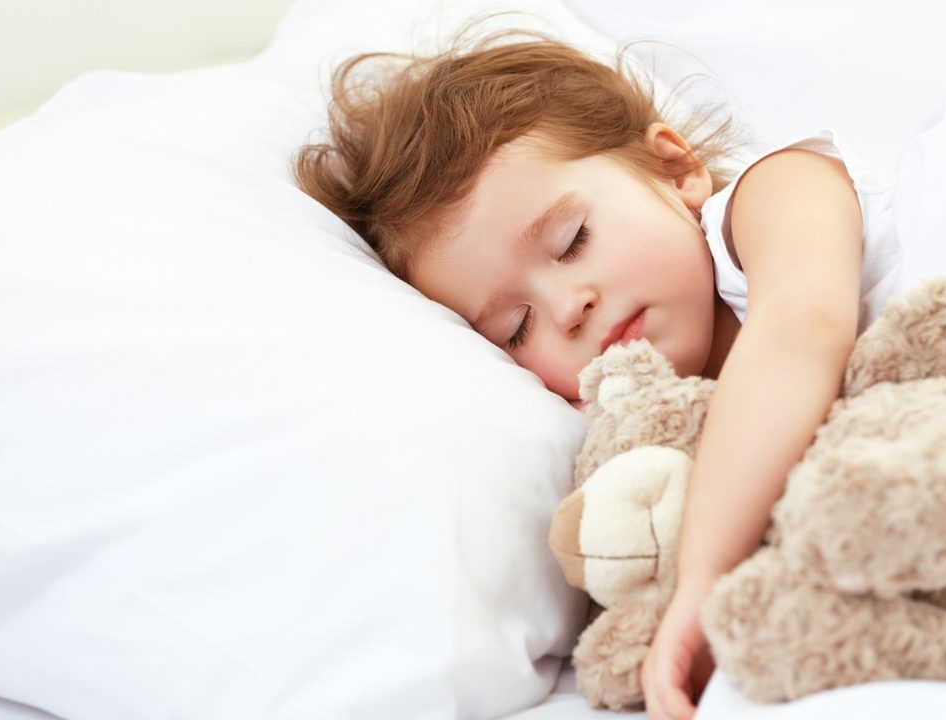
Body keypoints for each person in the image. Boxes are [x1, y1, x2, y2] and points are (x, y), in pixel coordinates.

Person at [296, 32, 900, 720]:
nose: (568, 307)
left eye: (572, 241)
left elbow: (801, 331)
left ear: (674, 169)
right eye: (515, 329)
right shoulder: (654, 435)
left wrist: (701, 579)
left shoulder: (774, 194)